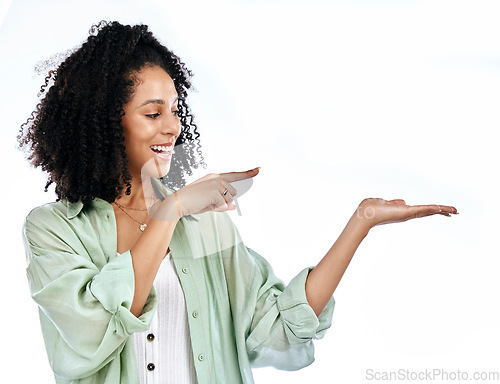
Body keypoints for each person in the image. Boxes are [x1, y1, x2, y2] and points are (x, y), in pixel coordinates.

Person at [18, 21, 458, 384]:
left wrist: (360, 223)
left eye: (176, 110)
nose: (172, 127)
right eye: (153, 113)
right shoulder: (54, 229)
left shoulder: (206, 226)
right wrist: (170, 210)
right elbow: (90, 328)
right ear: (104, 121)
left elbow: (276, 330)